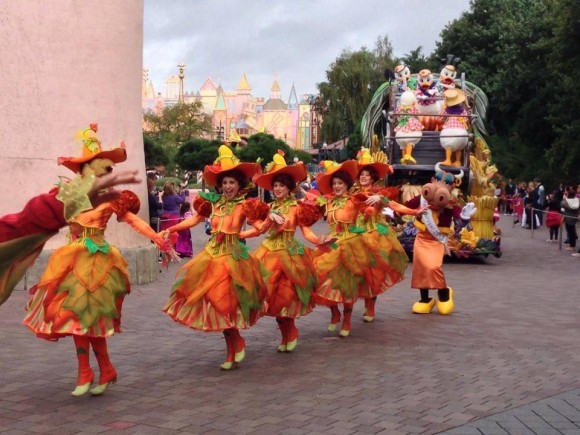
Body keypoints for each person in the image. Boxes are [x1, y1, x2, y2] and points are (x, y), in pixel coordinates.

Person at [22, 124, 176, 397]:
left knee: (89, 319)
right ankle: (89, 370)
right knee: (74, 317)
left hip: (99, 264)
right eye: (89, 169)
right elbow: (47, 223)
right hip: (71, 262)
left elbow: (132, 220)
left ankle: (100, 369)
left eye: (100, 170)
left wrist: (158, 239)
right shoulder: (69, 197)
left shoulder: (111, 200)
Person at [160, 145, 271, 370]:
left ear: (239, 184)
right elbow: (194, 221)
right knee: (216, 302)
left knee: (227, 303)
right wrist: (171, 229)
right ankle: (234, 344)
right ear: (219, 185)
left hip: (234, 258)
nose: (228, 186)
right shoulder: (213, 204)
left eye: (232, 182)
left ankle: (235, 345)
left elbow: (259, 228)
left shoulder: (245, 205)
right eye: (224, 182)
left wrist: (269, 222)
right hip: (212, 256)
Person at [0, 168, 142, 306]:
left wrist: (59, 208)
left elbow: (134, 220)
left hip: (99, 253)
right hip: (78, 251)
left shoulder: (112, 200)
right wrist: (60, 208)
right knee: (70, 294)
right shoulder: (86, 199)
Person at [249, 151, 331, 352]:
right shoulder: (269, 207)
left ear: (289, 188)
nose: (277, 189)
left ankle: (291, 331)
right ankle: (285, 333)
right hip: (268, 253)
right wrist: (263, 222)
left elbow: (306, 232)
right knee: (270, 297)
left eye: (281, 186)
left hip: (290, 256)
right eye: (275, 185)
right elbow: (260, 228)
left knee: (286, 297)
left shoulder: (297, 208)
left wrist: (320, 240)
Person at [353, 148, 426, 322]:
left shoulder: (380, 194)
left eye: (366, 175)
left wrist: (414, 212)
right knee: (357, 273)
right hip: (356, 237)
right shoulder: (352, 194)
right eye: (361, 174)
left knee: (373, 273)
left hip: (376, 237)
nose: (363, 177)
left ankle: (370, 307)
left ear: (372, 178)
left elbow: (394, 205)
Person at [404, 164, 477, 314]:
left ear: (451, 188)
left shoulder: (450, 203)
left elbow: (459, 217)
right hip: (422, 238)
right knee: (421, 269)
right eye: (438, 180)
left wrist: (464, 217)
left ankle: (444, 293)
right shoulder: (422, 199)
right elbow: (406, 206)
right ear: (432, 180)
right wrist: (393, 211)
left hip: (437, 240)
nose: (440, 185)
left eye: (446, 183)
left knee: (434, 267)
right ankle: (425, 299)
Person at [312, 159, 370, 337]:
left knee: (347, 286)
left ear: (347, 185)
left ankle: (346, 320)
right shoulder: (328, 203)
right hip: (331, 247)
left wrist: (380, 199)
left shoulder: (353, 201)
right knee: (319, 280)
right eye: (334, 183)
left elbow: (366, 216)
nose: (337, 186)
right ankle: (334, 312)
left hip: (350, 246)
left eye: (340, 183)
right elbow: (310, 218)